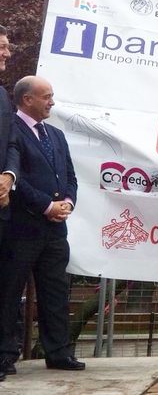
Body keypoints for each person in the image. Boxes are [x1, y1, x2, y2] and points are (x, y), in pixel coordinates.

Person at [0, 76, 84, 374]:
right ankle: (5, 355)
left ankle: (58, 352)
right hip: (23, 229)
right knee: (9, 293)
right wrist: (46, 206)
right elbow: (15, 178)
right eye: (46, 96)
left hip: (55, 232)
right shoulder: (11, 130)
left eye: (52, 95)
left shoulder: (57, 135)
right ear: (27, 100)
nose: (51, 101)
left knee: (55, 293)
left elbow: (70, 177)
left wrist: (67, 203)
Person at [0, 27, 18, 383]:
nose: (6, 55)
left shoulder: (3, 96)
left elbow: (12, 143)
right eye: (1, 48)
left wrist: (8, 175)